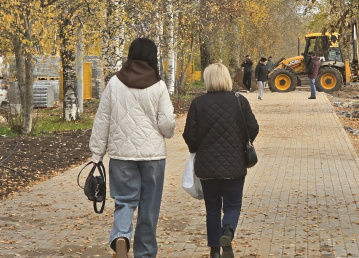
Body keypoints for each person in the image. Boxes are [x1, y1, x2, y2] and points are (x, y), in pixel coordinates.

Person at [89, 38, 175, 258]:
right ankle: (144, 254)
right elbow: (166, 123)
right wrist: (167, 132)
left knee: (125, 201)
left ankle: (120, 236)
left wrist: (97, 154)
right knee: (149, 207)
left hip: (121, 155)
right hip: (153, 156)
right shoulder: (159, 85)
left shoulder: (114, 83)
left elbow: (102, 120)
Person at [183, 63, 260, 258]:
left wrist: (197, 149)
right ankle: (228, 232)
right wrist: (243, 143)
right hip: (235, 165)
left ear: (208, 80)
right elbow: (253, 128)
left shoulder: (198, 104)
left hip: (207, 167)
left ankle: (215, 251)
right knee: (233, 205)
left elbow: (189, 135)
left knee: (213, 208)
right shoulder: (239, 101)